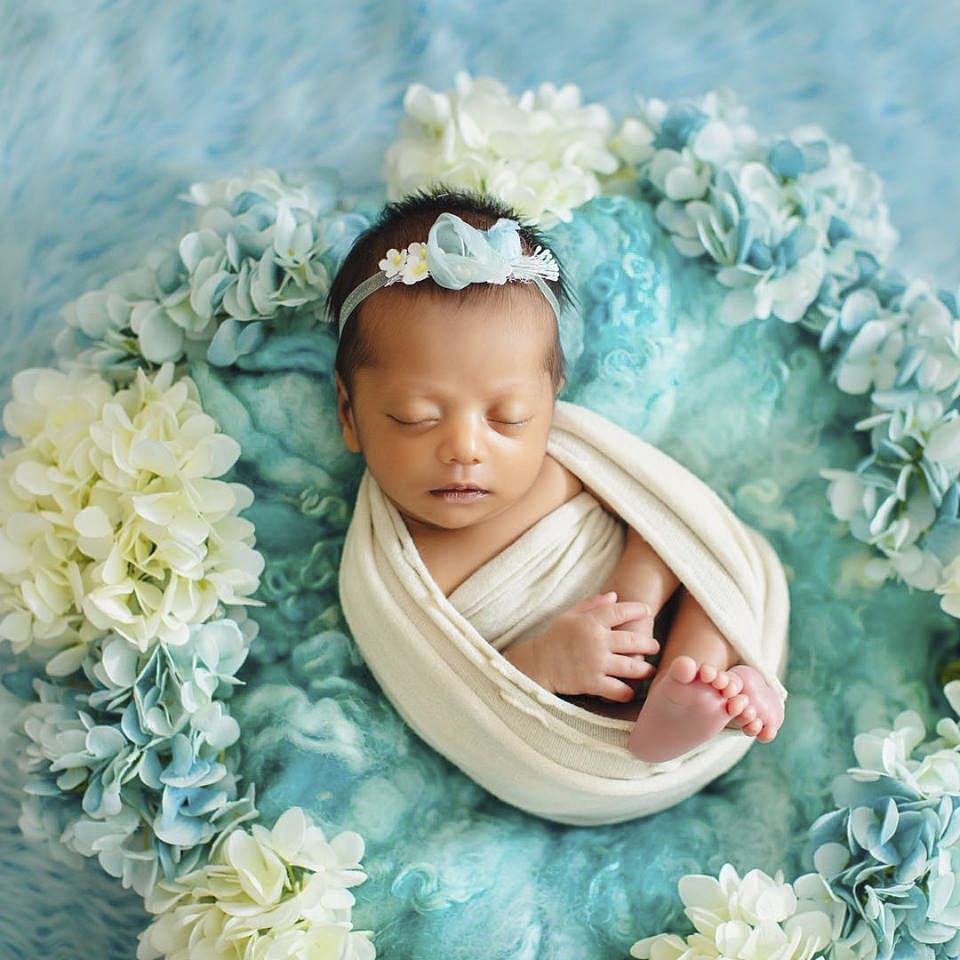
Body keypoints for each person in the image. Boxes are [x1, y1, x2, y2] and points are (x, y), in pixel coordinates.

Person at [325, 185, 785, 763]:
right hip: (569, 724)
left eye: (509, 418)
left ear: (551, 402)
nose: (465, 449)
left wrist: (637, 589)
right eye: (416, 418)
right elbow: (459, 708)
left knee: (708, 570)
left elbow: (671, 514)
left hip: (665, 617)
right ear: (350, 413)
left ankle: (720, 682)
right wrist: (545, 662)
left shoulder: (570, 462)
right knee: (572, 708)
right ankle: (655, 716)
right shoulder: (386, 577)